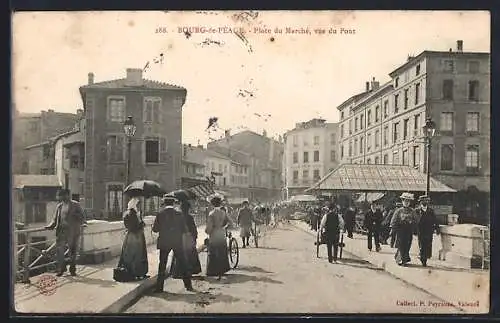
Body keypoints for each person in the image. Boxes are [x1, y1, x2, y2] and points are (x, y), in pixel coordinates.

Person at [152, 195, 193, 293]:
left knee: (162, 264)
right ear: (173, 203)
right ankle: (188, 285)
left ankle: (159, 288)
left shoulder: (160, 214)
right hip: (176, 242)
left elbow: (155, 229)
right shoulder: (179, 214)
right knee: (183, 263)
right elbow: (184, 230)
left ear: (164, 203)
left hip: (164, 242)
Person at [45, 189, 86, 277]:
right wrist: (50, 226)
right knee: (60, 252)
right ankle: (61, 269)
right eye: (60, 196)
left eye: (61, 196)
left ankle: (72, 270)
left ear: (67, 195)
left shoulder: (76, 205)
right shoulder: (59, 206)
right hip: (61, 232)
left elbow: (82, 217)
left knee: (72, 252)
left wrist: (77, 217)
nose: (60, 198)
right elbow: (55, 219)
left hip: (73, 232)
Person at [117, 197, 149, 280]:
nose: (138, 207)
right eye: (138, 205)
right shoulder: (134, 214)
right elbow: (136, 226)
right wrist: (142, 223)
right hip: (137, 237)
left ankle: (128, 271)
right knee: (137, 255)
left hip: (129, 236)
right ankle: (137, 273)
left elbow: (128, 225)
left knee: (128, 254)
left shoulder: (126, 214)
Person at [170, 200, 202, 278]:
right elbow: (193, 229)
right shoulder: (190, 217)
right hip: (188, 238)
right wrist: (195, 237)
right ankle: (189, 270)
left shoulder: (177, 216)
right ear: (188, 209)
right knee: (189, 255)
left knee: (179, 255)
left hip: (180, 238)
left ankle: (178, 272)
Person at [205, 195, 231, 279]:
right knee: (222, 251)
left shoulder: (211, 214)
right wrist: (224, 227)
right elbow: (230, 222)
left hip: (214, 233)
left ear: (212, 204)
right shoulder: (223, 212)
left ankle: (213, 270)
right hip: (221, 233)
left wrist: (207, 231)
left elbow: (209, 227)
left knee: (213, 251)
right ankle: (222, 269)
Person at [390, 192, 418, 266]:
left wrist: (412, 223)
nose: (406, 203)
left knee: (407, 245)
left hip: (409, 230)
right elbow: (394, 220)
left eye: (408, 201)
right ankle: (402, 260)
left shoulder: (412, 211)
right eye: (405, 201)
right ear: (402, 201)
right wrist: (393, 228)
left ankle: (404, 258)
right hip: (400, 230)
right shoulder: (399, 211)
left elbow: (416, 220)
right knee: (401, 245)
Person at [415, 195, 440, 267]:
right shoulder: (417, 211)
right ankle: (423, 258)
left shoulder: (431, 211)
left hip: (429, 230)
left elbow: (435, 220)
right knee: (422, 245)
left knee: (428, 245)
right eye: (423, 201)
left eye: (426, 201)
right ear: (420, 202)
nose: (425, 202)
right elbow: (414, 220)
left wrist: (437, 228)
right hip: (420, 230)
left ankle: (425, 257)